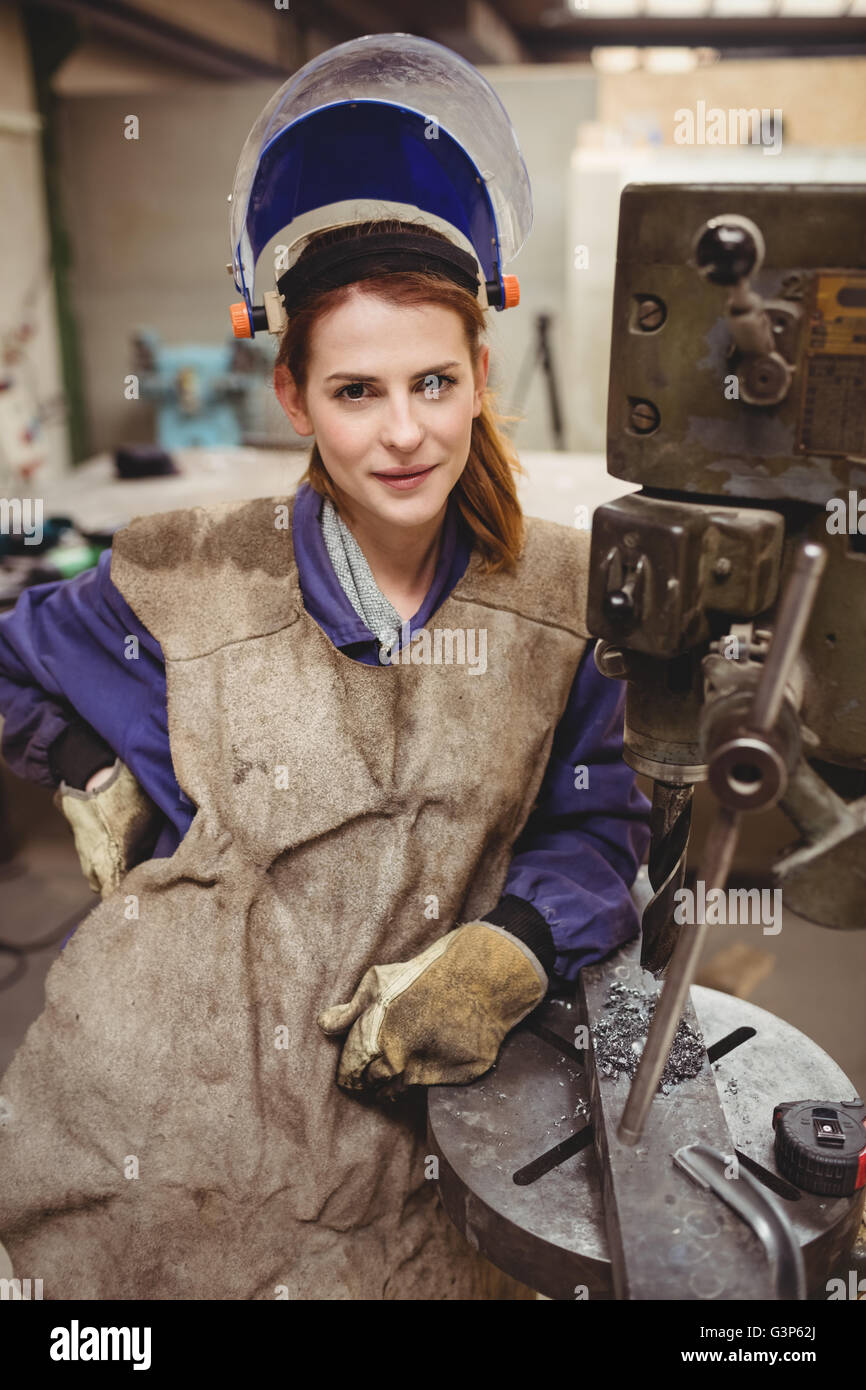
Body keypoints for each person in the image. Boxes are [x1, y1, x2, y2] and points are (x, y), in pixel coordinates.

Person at [0, 40, 650, 1301]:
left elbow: (601, 818)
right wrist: (91, 767)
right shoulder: (185, 573)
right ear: (292, 395)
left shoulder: (566, 600)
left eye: (432, 383)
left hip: (412, 1148)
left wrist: (515, 943)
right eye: (356, 390)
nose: (402, 430)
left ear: (478, 381)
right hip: (151, 1132)